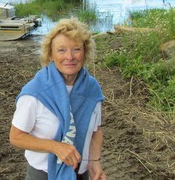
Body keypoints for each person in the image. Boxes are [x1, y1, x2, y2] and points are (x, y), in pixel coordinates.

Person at [9, 18, 107, 180]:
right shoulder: (34, 93)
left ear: (85, 52)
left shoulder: (92, 89)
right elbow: (16, 137)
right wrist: (56, 147)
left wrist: (94, 161)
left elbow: (96, 131)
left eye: (76, 49)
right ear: (51, 55)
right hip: (44, 174)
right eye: (61, 50)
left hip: (81, 174)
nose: (70, 57)